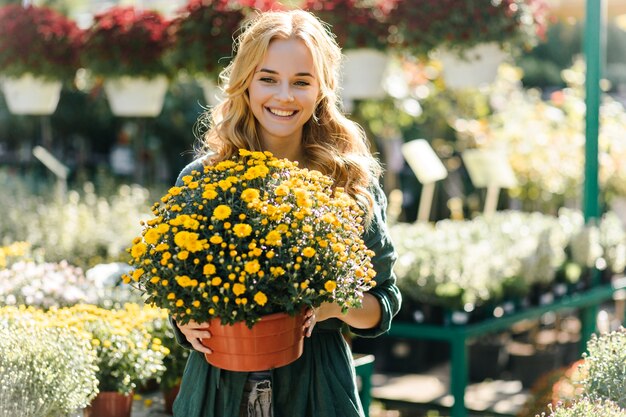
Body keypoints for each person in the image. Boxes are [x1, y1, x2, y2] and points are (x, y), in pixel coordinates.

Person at [169, 9, 401, 417]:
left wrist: (333, 306)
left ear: (322, 89)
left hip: (315, 389)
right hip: (219, 391)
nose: (284, 96)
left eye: (301, 82)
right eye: (269, 78)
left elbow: (384, 302)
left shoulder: (348, 182)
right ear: (246, 83)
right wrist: (184, 323)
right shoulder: (203, 179)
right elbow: (177, 293)